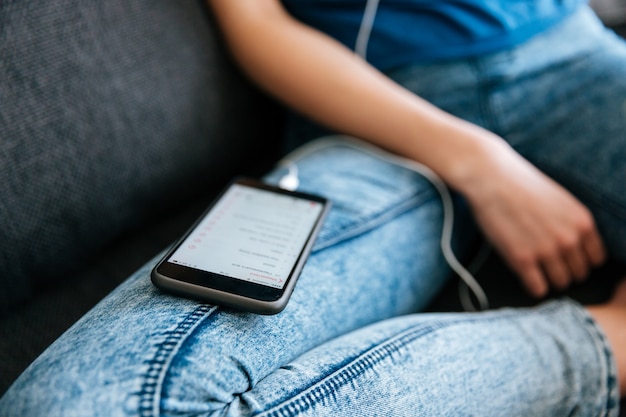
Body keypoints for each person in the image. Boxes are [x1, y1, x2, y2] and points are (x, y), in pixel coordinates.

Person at [0, 0, 624, 415]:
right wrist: (477, 162)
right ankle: (603, 348)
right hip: (371, 114)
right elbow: (257, 23)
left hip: (574, 58)